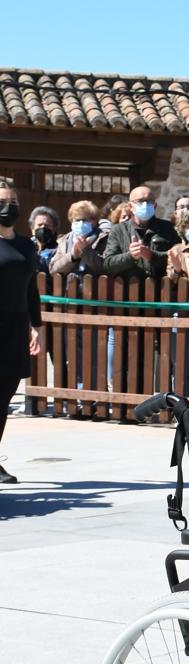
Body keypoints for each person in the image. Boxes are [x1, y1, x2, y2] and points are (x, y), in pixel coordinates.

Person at [0, 180, 43, 484]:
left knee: (3, 399)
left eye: (13, 201)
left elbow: (31, 289)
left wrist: (36, 327)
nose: (8, 207)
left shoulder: (26, 245)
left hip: (15, 328)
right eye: (3, 201)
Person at [103, 185, 178, 279]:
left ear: (155, 206)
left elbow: (178, 255)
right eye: (140, 201)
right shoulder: (118, 230)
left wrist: (152, 256)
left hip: (161, 289)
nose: (145, 204)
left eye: (149, 201)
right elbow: (108, 264)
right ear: (130, 206)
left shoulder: (168, 228)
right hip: (129, 290)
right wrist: (130, 256)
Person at [49, 200, 105, 279]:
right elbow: (53, 270)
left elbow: (104, 268)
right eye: (77, 220)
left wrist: (85, 251)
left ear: (95, 221)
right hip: (68, 289)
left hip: (94, 289)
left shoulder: (103, 238)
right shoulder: (65, 240)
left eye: (85, 220)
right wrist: (72, 256)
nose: (81, 223)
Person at [26, 206, 59, 273]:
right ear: (32, 229)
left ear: (54, 229)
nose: (43, 227)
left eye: (47, 225)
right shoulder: (25, 246)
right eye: (39, 225)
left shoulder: (59, 249)